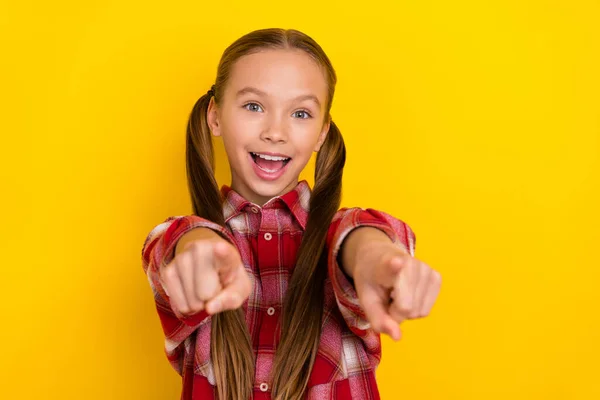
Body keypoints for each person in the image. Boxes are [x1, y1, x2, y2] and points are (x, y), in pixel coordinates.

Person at [141, 28, 442, 400]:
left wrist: (374, 259)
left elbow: (358, 234)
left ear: (321, 134)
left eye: (300, 113)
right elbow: (174, 241)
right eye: (254, 106)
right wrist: (195, 254)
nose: (275, 132)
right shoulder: (187, 237)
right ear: (215, 117)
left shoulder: (338, 235)